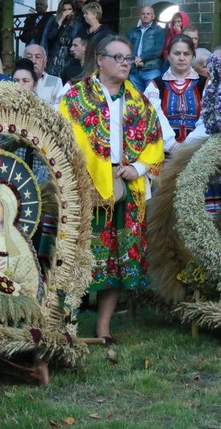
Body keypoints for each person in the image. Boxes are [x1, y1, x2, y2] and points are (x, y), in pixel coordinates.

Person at [58, 35, 164, 344]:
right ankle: (64, 321)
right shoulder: (75, 98)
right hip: (85, 187)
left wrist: (139, 167)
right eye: (118, 57)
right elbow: (64, 140)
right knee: (79, 254)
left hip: (127, 187)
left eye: (128, 58)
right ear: (100, 60)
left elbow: (155, 141)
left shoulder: (139, 100)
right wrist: (86, 173)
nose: (124, 64)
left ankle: (103, 326)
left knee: (118, 258)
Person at [145, 34, 207, 152]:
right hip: (164, 151)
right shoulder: (156, 85)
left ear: (193, 57)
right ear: (168, 56)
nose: (182, 58)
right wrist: (172, 146)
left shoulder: (205, 85)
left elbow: (208, 120)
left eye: (186, 54)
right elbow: (154, 117)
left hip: (198, 153)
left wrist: (188, 147)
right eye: (177, 53)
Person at [127, 5, 166, 92]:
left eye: (148, 14)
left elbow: (157, 49)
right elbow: (127, 47)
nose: (145, 15)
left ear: (153, 17)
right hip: (135, 70)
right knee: (135, 100)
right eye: (143, 13)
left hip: (151, 69)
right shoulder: (132, 31)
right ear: (140, 16)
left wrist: (141, 58)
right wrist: (135, 60)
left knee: (152, 98)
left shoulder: (158, 31)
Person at [45, 0, 78, 77]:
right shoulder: (55, 22)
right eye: (64, 10)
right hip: (54, 58)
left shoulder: (76, 25)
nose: (67, 12)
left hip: (68, 58)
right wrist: (60, 21)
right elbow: (50, 36)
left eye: (69, 9)